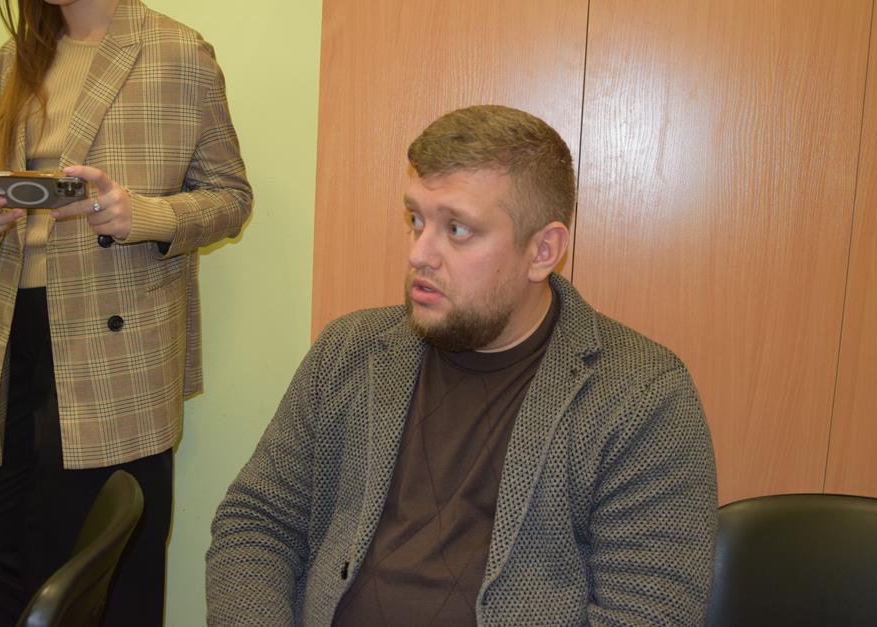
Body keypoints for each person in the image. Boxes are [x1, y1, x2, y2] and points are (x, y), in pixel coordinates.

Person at [207, 105, 715, 626]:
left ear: (543, 250)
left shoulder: (641, 395)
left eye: (457, 229)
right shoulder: (350, 351)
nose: (420, 254)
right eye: (416, 220)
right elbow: (258, 522)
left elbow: (651, 614)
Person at [0, 0, 252, 625]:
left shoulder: (178, 51)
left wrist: (144, 215)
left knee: (101, 575)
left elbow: (231, 197)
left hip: (118, 351)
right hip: (12, 340)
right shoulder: (12, 60)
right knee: (8, 558)